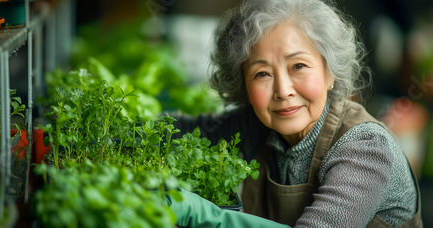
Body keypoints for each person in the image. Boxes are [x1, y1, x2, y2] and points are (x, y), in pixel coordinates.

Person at [166, 0, 423, 227]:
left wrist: (200, 213)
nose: (283, 90)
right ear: (243, 84)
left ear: (329, 72)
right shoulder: (255, 125)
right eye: (262, 73)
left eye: (298, 66)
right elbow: (174, 131)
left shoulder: (365, 149)